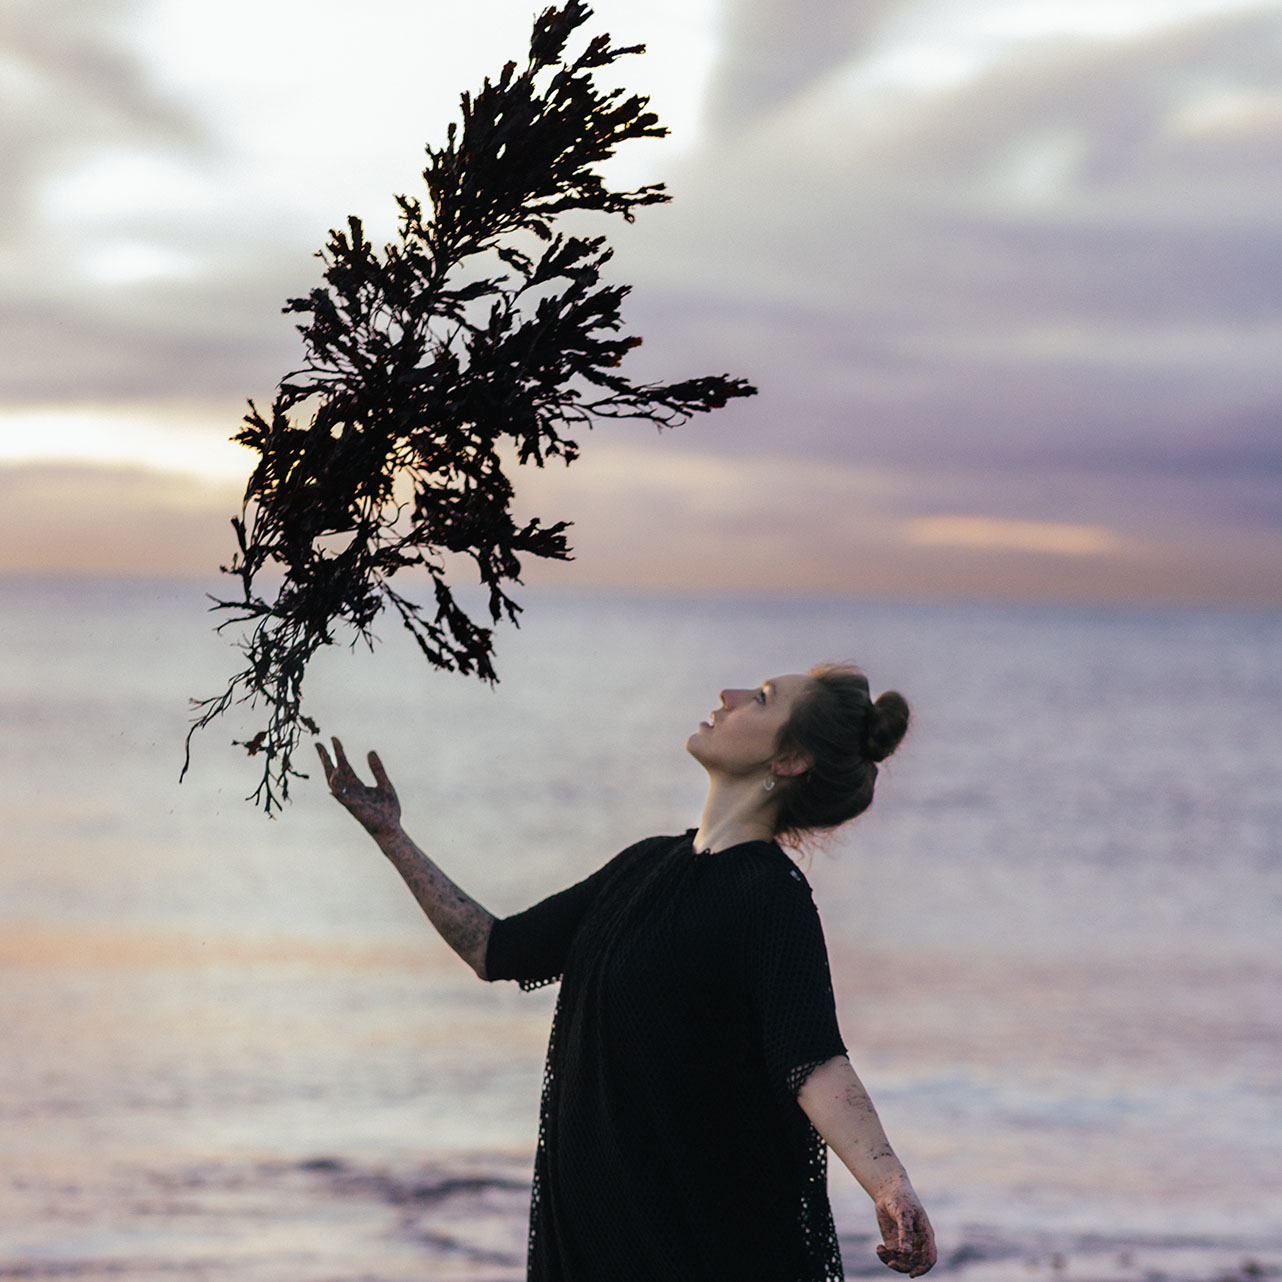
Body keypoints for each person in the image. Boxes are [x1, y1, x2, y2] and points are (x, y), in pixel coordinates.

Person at [316, 663, 937, 1281]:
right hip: (592, 1246)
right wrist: (391, 836)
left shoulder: (771, 895)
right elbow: (493, 948)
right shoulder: (645, 866)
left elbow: (814, 1061)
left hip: (694, 1248)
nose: (728, 694)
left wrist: (890, 1185)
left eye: (761, 698)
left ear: (790, 760)